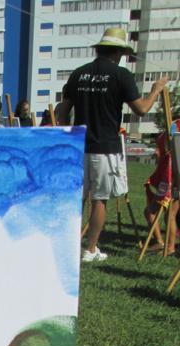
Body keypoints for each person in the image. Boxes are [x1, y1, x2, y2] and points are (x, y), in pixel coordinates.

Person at [57, 27, 168, 262]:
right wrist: (155, 90)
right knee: (99, 199)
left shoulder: (78, 73)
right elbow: (142, 109)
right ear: (118, 52)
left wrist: (68, 136)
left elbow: (61, 111)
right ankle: (90, 249)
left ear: (99, 49)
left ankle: (65, 244)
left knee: (77, 199)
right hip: (105, 147)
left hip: (78, 146)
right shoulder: (120, 75)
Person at [143, 117, 180, 256]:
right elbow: (162, 151)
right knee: (153, 212)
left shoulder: (175, 127)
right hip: (167, 177)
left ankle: (169, 247)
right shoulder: (173, 126)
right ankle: (161, 242)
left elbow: (169, 151)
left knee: (168, 214)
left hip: (173, 178)